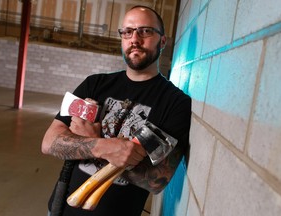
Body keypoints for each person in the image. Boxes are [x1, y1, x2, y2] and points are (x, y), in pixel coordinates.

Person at [42, 5, 191, 216]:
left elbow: (157, 181)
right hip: (61, 210)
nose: (135, 39)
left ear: (163, 41)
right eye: (127, 32)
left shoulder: (175, 102)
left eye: (146, 31)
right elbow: (49, 142)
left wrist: (91, 143)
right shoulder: (94, 85)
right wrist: (100, 146)